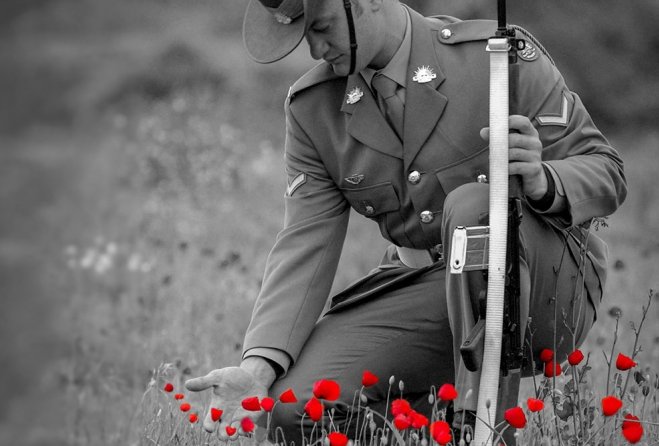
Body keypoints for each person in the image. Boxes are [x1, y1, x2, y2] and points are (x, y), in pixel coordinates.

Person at [185, 0, 627, 442]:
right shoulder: (313, 107)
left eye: (322, 27)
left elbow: (606, 170)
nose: (317, 51)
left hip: (541, 282)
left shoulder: (494, 57)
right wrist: (257, 368)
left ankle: (485, 428)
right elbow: (305, 240)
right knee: (294, 408)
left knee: (474, 208)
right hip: (424, 285)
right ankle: (445, 431)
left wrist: (541, 179)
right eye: (305, 37)